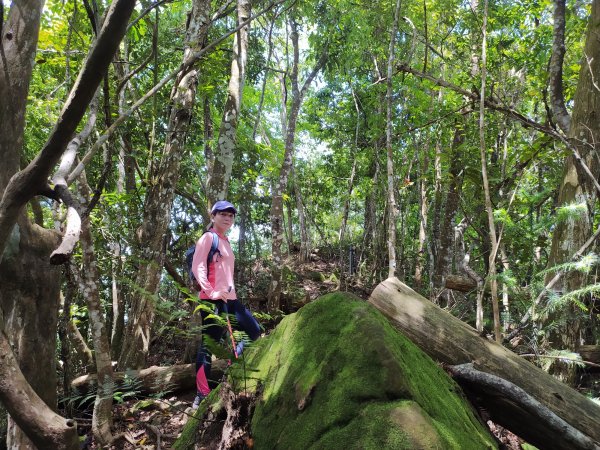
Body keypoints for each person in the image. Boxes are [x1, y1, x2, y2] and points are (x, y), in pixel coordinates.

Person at [191, 200, 261, 408]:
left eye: (231, 215)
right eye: (223, 214)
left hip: (231, 300)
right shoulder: (208, 238)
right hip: (212, 299)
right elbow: (198, 267)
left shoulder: (226, 241)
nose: (228, 218)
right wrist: (211, 291)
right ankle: (201, 394)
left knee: (253, 330)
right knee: (209, 344)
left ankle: (232, 368)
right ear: (213, 216)